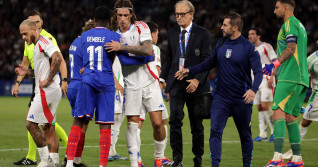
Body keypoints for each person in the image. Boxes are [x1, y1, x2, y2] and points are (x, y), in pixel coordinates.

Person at [175, 12, 263, 167]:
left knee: (245, 135)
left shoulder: (248, 47)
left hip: (241, 98)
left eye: (225, 25)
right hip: (221, 97)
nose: (221, 27)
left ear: (235, 27)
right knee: (215, 131)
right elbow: (209, 63)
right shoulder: (221, 43)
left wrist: (253, 90)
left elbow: (258, 72)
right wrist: (191, 70)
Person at [105, 0, 166, 166]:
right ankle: (134, 163)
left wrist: (122, 48)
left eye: (126, 15)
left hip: (149, 81)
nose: (123, 18)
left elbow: (148, 50)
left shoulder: (141, 27)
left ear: (131, 14)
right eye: (120, 15)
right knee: (132, 125)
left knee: (158, 123)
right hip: (130, 85)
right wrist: (136, 56)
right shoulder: (113, 35)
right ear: (115, 15)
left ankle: (159, 157)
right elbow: (128, 60)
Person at [65, 6, 119, 167]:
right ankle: (102, 165)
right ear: (110, 20)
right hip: (106, 82)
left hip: (87, 81)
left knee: (78, 121)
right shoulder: (114, 36)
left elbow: (80, 62)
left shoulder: (84, 37)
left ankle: (69, 163)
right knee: (105, 125)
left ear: (94, 20)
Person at [12, 10, 68, 166]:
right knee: (48, 127)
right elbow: (43, 68)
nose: (23, 37)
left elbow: (57, 58)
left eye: (25, 34)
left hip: (46, 91)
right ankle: (54, 162)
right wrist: (27, 72)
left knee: (30, 123)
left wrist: (48, 79)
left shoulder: (44, 41)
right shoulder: (37, 45)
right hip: (49, 90)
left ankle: (45, 160)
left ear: (34, 30)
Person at [159, 1, 212, 166]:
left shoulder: (203, 34)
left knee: (196, 126)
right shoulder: (173, 32)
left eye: (182, 14)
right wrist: (164, 81)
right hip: (176, 83)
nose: (179, 17)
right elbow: (170, 58)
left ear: (191, 14)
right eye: (177, 14)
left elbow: (207, 61)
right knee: (174, 120)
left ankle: (198, 160)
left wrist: (197, 79)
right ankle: (177, 159)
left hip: (195, 84)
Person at [263, 0, 308, 166]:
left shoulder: (289, 24)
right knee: (290, 117)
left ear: (285, 8)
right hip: (301, 77)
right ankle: (297, 159)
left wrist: (274, 64)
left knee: (277, 112)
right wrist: (277, 69)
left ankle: (277, 159)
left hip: (290, 76)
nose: (274, 11)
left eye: (276, 7)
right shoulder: (300, 25)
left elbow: (291, 49)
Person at [136, 21, 174, 166]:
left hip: (136, 89)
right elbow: (157, 70)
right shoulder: (153, 48)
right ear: (152, 34)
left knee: (136, 125)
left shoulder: (135, 46)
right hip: (152, 90)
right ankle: (160, 157)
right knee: (161, 122)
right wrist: (165, 86)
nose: (157, 37)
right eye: (157, 34)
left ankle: (138, 160)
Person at [60, 19, 96, 167]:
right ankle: (69, 159)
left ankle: (76, 160)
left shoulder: (75, 42)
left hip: (73, 84)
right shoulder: (86, 44)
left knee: (83, 124)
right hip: (82, 86)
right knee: (79, 123)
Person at [282, 31, 318, 160]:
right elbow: (303, 80)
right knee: (305, 121)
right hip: (317, 97)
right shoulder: (311, 60)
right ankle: (294, 150)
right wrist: (298, 99)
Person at [248, 27, 277, 142]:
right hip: (255, 81)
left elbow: (275, 61)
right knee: (260, 108)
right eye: (249, 34)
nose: (250, 36)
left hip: (266, 79)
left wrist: (272, 76)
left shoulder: (266, 46)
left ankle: (274, 132)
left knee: (265, 106)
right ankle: (263, 134)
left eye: (253, 34)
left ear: (258, 35)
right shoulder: (249, 49)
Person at [108, 54, 128, 161]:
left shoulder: (119, 53)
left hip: (121, 83)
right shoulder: (111, 51)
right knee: (114, 116)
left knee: (120, 117)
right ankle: (108, 152)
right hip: (114, 85)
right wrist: (116, 83)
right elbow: (107, 65)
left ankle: (112, 150)